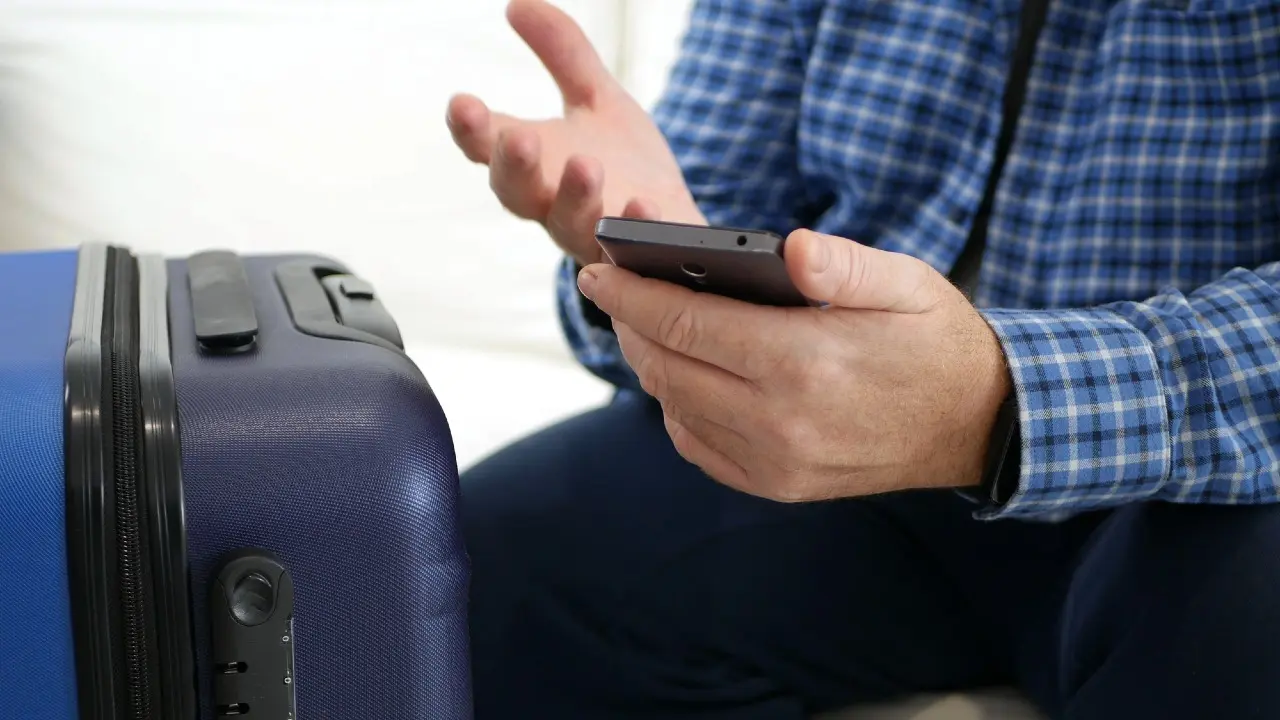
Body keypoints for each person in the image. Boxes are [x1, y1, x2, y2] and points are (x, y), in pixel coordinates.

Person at [447, 0, 1280, 717]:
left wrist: (992, 404)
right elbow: (713, 201)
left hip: (1195, 479)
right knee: (479, 572)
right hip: (851, 448)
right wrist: (648, 246)